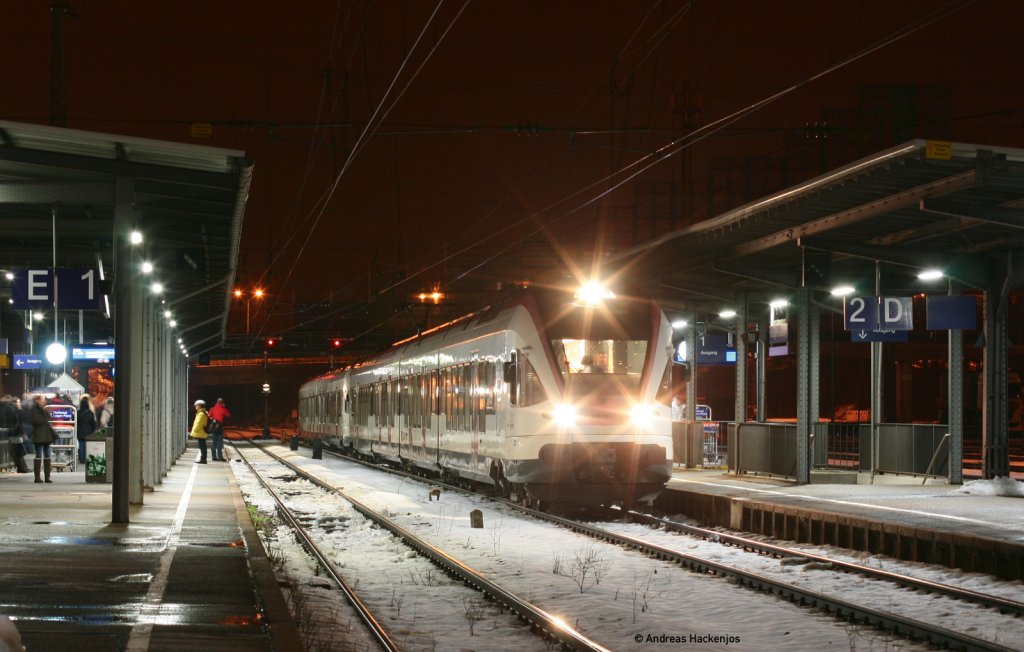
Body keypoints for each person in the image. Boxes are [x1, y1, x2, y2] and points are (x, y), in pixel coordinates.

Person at [30, 394, 56, 483]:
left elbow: (48, 419)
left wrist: (46, 411)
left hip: (46, 436)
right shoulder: (34, 409)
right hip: (39, 436)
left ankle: (47, 477)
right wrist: (44, 411)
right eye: (42, 399)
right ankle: (37, 477)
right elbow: (38, 421)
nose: (44, 401)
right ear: (38, 400)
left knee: (47, 456)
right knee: (38, 456)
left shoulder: (44, 409)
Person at [1, 395, 29, 473]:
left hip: (15, 432)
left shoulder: (13, 409)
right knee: (17, 450)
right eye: (18, 402)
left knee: (19, 450)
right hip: (15, 432)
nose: (19, 404)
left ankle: (22, 467)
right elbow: (16, 421)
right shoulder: (11, 409)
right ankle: (21, 468)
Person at [208, 397, 232, 461]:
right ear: (222, 403)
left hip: (214, 427)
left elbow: (209, 415)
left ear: (216, 402)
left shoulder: (212, 409)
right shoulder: (223, 409)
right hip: (220, 427)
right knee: (219, 442)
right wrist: (224, 407)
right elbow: (228, 415)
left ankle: (214, 456)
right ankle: (220, 456)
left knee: (214, 441)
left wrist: (213, 418)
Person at [77, 394, 97, 463]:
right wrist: (94, 430)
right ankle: (86, 459)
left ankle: (81, 459)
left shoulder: (78, 413)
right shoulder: (90, 413)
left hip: (80, 432)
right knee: (86, 446)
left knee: (81, 445)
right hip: (88, 432)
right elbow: (93, 423)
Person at [190, 399, 210, 464]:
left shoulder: (201, 414)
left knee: (202, 446)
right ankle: (203, 459)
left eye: (196, 405)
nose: (195, 406)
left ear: (200, 406)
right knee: (202, 445)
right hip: (202, 432)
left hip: (201, 432)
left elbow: (198, 423)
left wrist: (194, 431)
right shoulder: (203, 412)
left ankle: (203, 459)